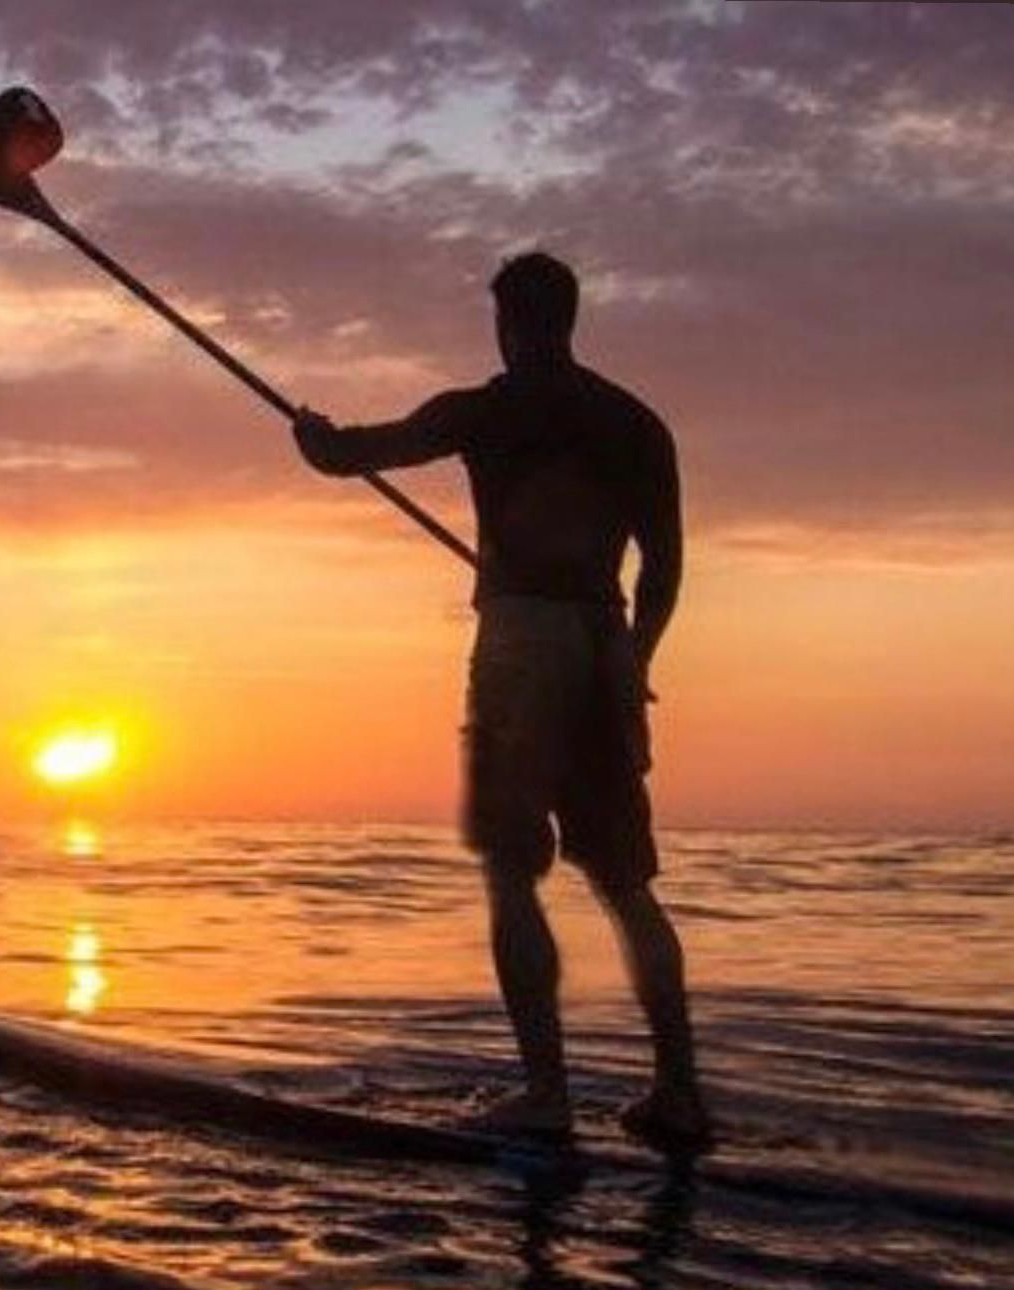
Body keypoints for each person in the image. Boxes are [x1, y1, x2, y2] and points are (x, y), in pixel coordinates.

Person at [290, 251, 710, 1149]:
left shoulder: (485, 409)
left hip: (521, 643)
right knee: (624, 883)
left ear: (507, 324)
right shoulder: (635, 422)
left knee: (512, 873)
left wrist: (312, 433)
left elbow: (350, 455)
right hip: (603, 640)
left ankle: (545, 1095)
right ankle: (678, 1093)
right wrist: (633, 658)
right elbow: (664, 568)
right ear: (569, 318)